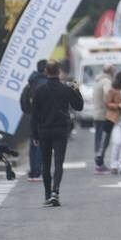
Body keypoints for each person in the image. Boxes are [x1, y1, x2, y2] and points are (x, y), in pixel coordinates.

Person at [31, 61, 83, 206]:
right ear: (59, 72)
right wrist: (76, 89)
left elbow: (34, 115)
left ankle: (47, 194)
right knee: (59, 162)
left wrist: (35, 135)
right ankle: (56, 192)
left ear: (46, 71)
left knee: (46, 163)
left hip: (44, 130)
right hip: (60, 129)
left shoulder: (39, 91)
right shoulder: (65, 89)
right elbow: (79, 106)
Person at [20, 59, 48, 181]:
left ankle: (33, 171)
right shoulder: (44, 83)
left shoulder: (31, 82)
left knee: (34, 144)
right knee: (41, 145)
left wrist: (29, 111)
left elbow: (23, 101)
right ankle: (37, 171)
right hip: (43, 117)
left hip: (32, 116)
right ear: (45, 69)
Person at [92, 65, 115, 173]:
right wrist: (112, 104)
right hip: (103, 114)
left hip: (97, 113)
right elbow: (108, 93)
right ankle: (99, 163)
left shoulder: (98, 80)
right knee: (103, 139)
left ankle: (99, 162)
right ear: (111, 71)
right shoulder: (107, 81)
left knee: (99, 138)